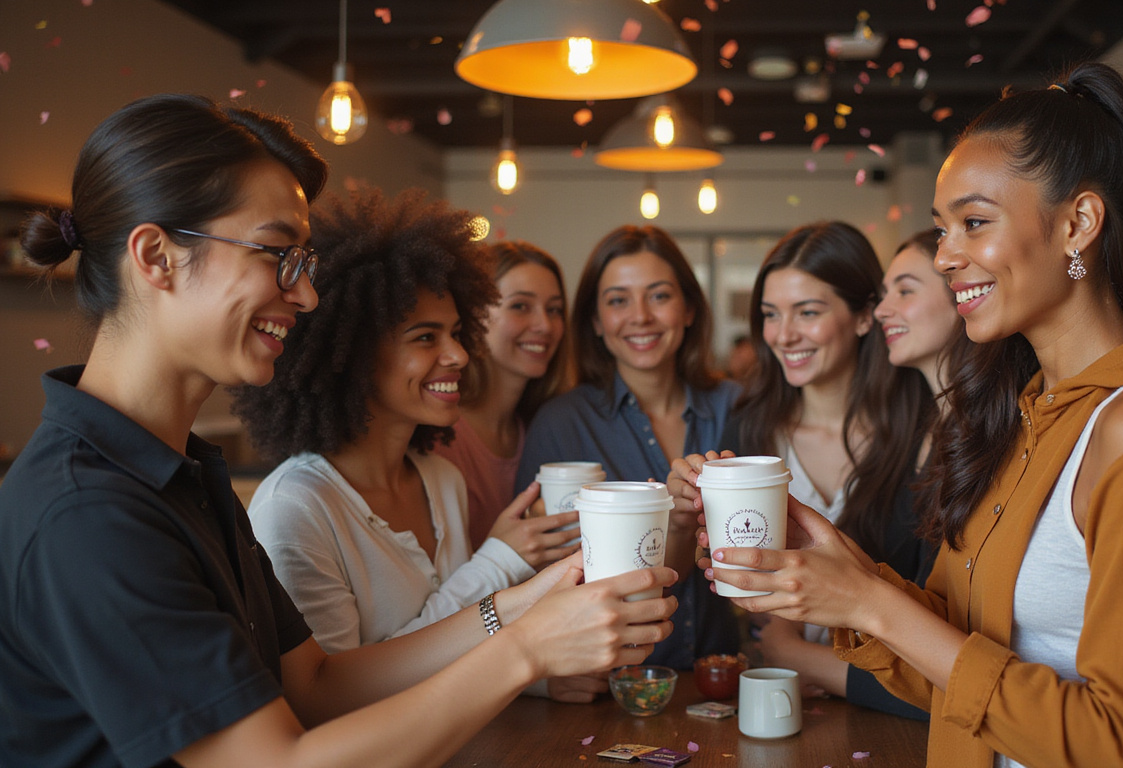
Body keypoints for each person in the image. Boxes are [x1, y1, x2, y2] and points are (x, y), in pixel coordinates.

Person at [0, 94, 676, 768]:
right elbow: (279, 762)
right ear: (156, 258)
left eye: (305, 264)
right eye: (274, 255)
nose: (306, 297)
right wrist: (527, 650)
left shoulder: (178, 473)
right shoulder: (88, 512)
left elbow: (317, 685)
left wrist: (528, 604)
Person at [685, 62, 1123, 767]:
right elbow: (961, 672)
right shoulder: (1027, 418)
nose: (948, 257)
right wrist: (843, 579)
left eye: (974, 223)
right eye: (943, 228)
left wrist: (872, 606)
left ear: (1079, 223)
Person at [234, 187, 579, 656]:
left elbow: (461, 657)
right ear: (353, 355)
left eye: (456, 333)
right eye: (424, 337)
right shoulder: (296, 509)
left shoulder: (442, 480)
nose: (458, 355)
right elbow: (333, 697)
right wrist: (499, 561)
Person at [736, 227, 962, 717]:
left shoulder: (923, 427)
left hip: (891, 706)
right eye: (771, 315)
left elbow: (939, 633)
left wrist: (804, 658)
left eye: (808, 312)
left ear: (862, 317)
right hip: (783, 696)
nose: (784, 333)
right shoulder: (744, 429)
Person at [516, 225, 740, 670]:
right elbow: (535, 575)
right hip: (605, 681)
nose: (640, 316)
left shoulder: (737, 406)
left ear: (689, 308)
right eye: (618, 300)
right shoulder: (561, 423)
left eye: (659, 296)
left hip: (723, 674)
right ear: (596, 322)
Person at [435, 240, 571, 550]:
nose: (544, 325)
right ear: (475, 316)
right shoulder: (441, 437)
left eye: (554, 310)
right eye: (520, 306)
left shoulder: (544, 427)